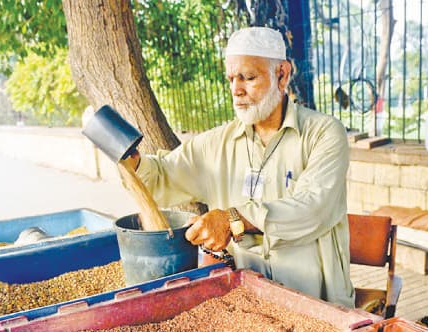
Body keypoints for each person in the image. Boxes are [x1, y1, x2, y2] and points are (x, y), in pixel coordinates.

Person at [126, 26, 355, 307]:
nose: (237, 89)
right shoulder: (215, 144)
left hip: (317, 300)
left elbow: (313, 207)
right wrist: (133, 163)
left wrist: (234, 219)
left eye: (248, 77)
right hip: (250, 304)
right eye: (231, 78)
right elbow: (161, 178)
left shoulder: (324, 133)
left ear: (282, 74)